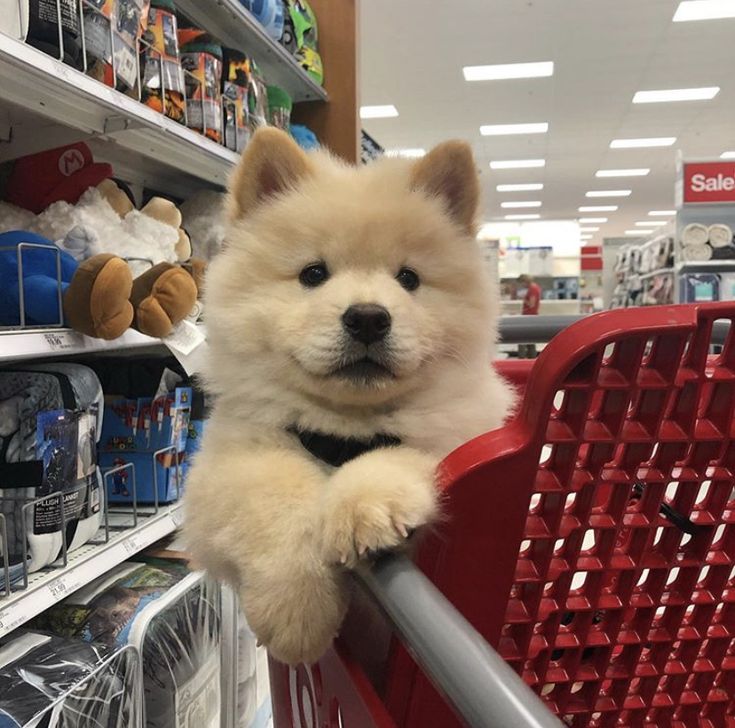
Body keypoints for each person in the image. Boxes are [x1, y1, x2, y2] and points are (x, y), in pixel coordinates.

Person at [517, 274, 541, 358]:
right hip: (532, 316)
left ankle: (521, 359)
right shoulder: (535, 287)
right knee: (531, 340)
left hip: (529, 316)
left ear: (525, 281)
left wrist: (523, 299)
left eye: (522, 283)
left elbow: (531, 304)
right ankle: (531, 359)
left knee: (521, 339)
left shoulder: (533, 289)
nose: (522, 285)